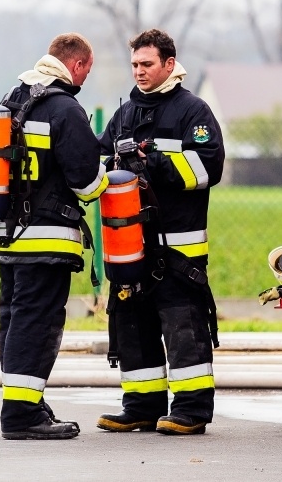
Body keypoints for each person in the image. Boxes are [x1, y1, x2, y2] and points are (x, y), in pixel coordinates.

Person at [96, 28, 225, 435]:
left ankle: (190, 410)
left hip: (177, 247)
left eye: (147, 64)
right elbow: (101, 161)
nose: (139, 72)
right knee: (132, 324)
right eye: (135, 64)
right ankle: (141, 405)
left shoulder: (193, 112)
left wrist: (151, 163)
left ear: (169, 64)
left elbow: (208, 168)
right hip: (130, 245)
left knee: (182, 324)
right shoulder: (125, 115)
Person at [0, 33, 108, 439]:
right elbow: (87, 185)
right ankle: (22, 415)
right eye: (87, 71)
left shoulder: (14, 98)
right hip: (48, 239)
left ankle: (24, 401)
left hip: (7, 236)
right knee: (37, 323)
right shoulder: (65, 109)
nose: (85, 79)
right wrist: (108, 177)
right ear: (76, 66)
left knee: (14, 317)